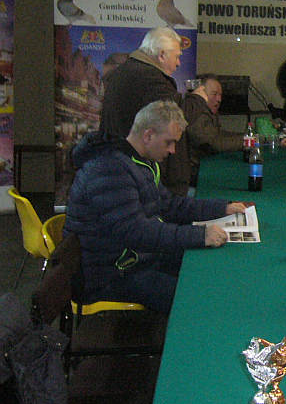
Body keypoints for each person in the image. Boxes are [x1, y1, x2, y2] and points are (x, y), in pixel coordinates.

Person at [65, 100, 246, 314]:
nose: (172, 150)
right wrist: (200, 235)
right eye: (169, 142)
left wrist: (221, 208)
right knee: (197, 296)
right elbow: (136, 231)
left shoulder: (138, 162)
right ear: (148, 135)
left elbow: (169, 205)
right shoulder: (109, 170)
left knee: (206, 270)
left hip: (135, 259)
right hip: (110, 275)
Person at [99, 26, 191, 195]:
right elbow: (171, 130)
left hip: (117, 169)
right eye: (177, 57)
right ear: (162, 55)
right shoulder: (154, 82)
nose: (178, 63)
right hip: (141, 180)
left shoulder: (123, 72)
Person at [183, 74, 242, 186]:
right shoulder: (196, 112)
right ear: (200, 93)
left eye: (220, 95)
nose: (219, 100)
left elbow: (218, 134)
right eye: (214, 94)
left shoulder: (207, 111)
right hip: (195, 175)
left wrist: (246, 136)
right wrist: (248, 141)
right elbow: (213, 143)